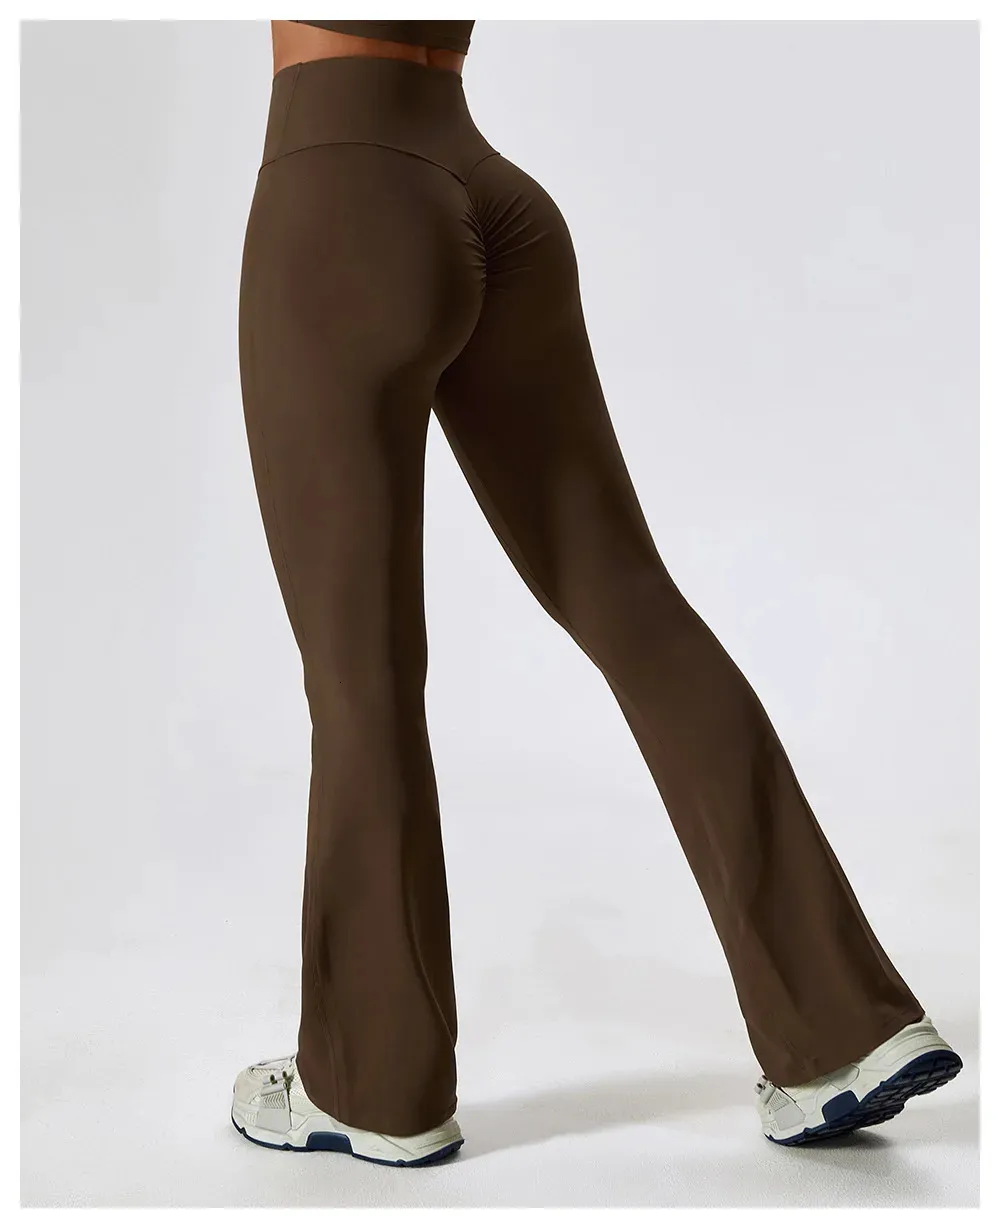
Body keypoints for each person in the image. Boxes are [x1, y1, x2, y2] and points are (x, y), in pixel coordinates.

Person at [230, 19, 962, 1167]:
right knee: (629, 600)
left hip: (342, 192)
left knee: (359, 669)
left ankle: (376, 1084)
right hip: (492, 191)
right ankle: (840, 1030)